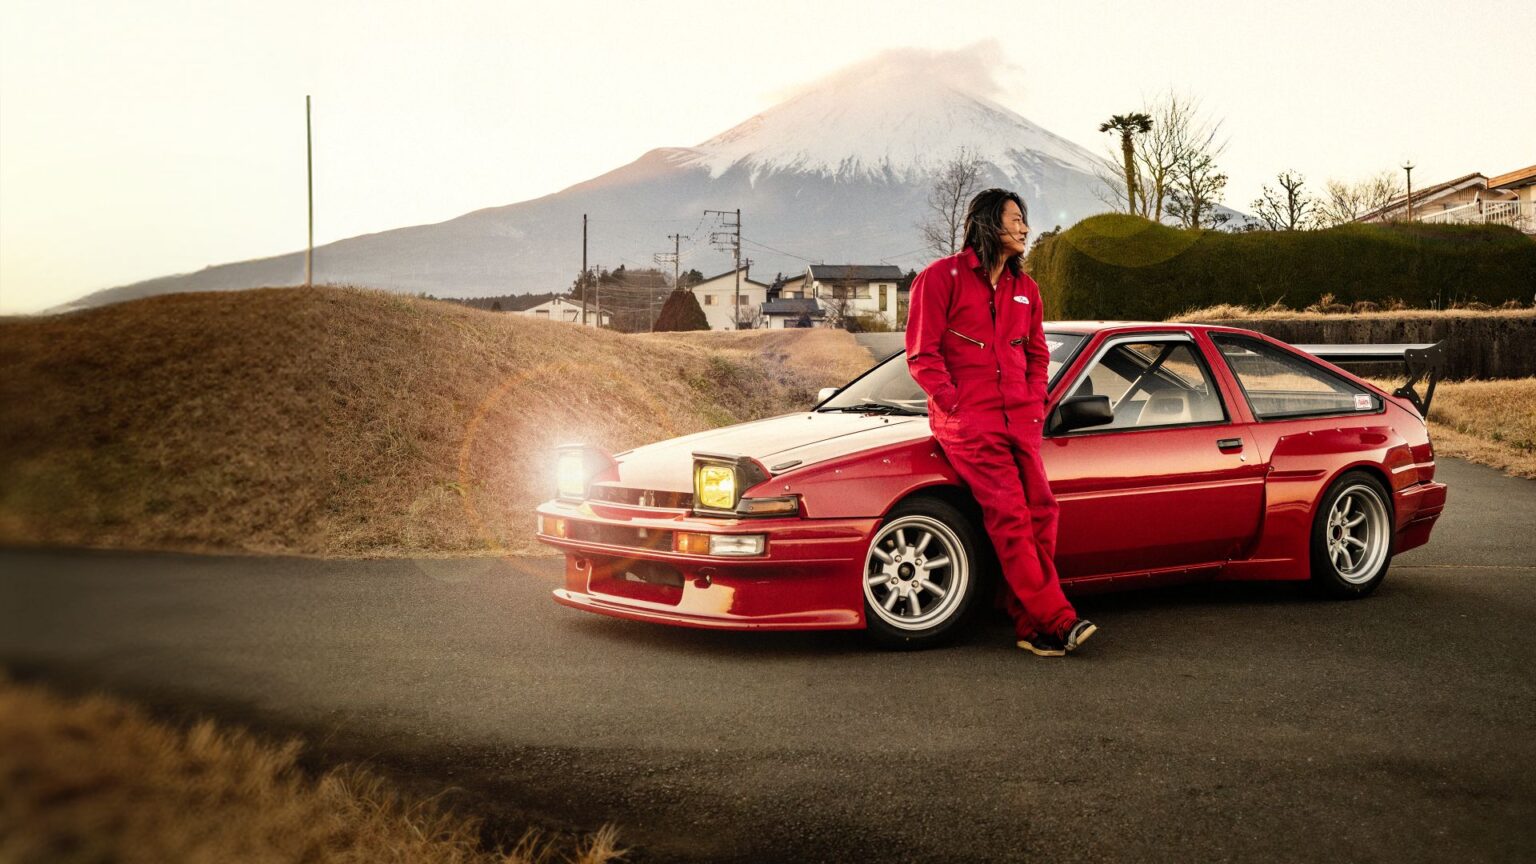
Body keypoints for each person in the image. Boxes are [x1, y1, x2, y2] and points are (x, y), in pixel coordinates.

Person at [903, 188, 1097, 657]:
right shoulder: (939, 278)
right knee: (1010, 515)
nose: (1026, 229)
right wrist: (955, 404)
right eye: (1016, 220)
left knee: (1043, 511)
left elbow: (1036, 353)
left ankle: (1029, 625)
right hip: (969, 424)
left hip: (1021, 421)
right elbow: (922, 354)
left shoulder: (1026, 290)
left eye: (1025, 220)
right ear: (990, 224)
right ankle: (1056, 618)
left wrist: (1036, 403)